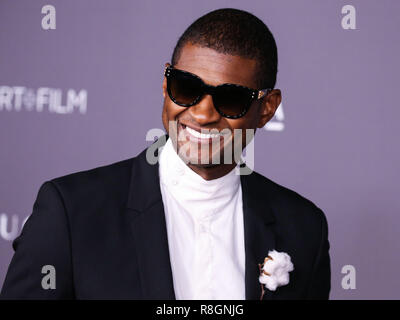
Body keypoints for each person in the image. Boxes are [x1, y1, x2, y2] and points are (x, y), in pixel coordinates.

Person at [0, 8, 330, 300]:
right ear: (165, 84)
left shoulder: (303, 228)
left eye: (230, 99)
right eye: (186, 88)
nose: (202, 114)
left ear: (267, 108)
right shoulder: (72, 211)